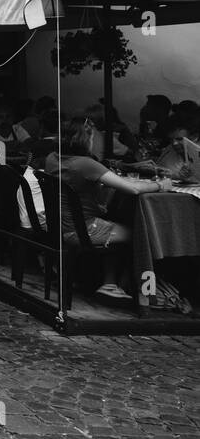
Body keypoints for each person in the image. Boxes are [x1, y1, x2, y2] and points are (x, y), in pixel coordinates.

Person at [46, 118, 169, 302]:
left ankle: (107, 282)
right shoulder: (85, 164)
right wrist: (161, 185)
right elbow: (133, 189)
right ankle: (136, 290)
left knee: (116, 220)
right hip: (84, 230)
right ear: (85, 139)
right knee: (142, 234)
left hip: (61, 227)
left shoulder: (52, 158)